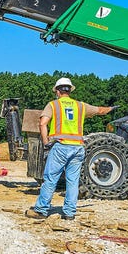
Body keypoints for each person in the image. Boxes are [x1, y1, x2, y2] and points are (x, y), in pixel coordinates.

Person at [26, 78, 115, 221]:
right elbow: (100, 110)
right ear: (69, 90)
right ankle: (69, 213)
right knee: (73, 181)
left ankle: (41, 210)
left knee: (50, 179)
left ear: (57, 90)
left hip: (60, 146)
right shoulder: (80, 106)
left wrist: (45, 142)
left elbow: (42, 123)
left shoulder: (53, 105)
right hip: (78, 147)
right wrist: (111, 108)